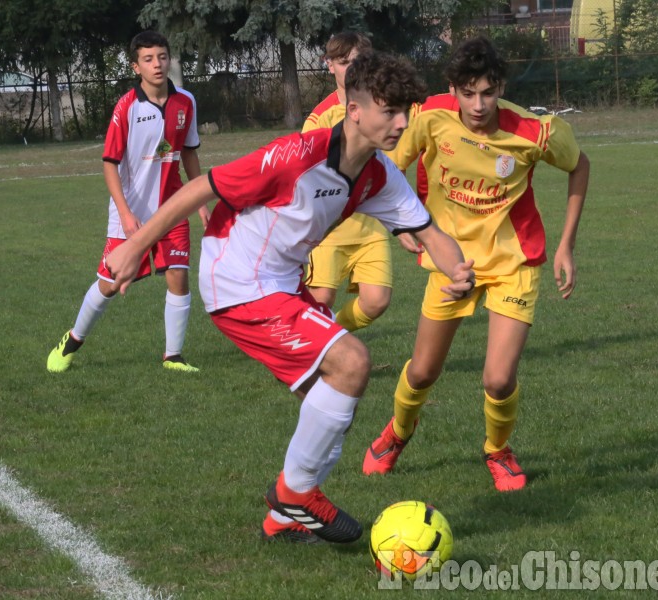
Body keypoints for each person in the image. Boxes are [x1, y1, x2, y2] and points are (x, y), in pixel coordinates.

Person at [104, 50, 475, 543]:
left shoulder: (380, 174)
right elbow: (203, 188)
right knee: (351, 363)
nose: (402, 122)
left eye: (406, 110)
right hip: (235, 276)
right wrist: (135, 245)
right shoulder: (297, 156)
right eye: (390, 110)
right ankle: (295, 494)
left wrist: (458, 271)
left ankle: (282, 520)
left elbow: (428, 232)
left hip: (280, 281)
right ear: (355, 110)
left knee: (330, 405)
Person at [363, 36, 590, 492]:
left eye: (488, 92)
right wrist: (404, 226)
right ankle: (397, 434)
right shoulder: (429, 117)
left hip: (514, 261)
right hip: (452, 263)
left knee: (499, 377)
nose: (479, 104)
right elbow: (387, 166)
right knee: (424, 370)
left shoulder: (534, 131)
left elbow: (579, 165)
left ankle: (498, 451)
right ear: (453, 88)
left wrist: (566, 244)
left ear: (500, 87)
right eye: (468, 93)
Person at [46, 31, 209, 374]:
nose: (157, 64)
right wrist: (125, 212)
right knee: (110, 283)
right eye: (148, 59)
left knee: (179, 275)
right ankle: (73, 339)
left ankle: (173, 357)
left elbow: (189, 155)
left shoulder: (186, 102)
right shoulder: (127, 107)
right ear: (136, 66)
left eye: (162, 57)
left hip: (172, 206)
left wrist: (201, 202)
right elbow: (109, 163)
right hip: (131, 212)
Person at [302, 32, 393, 332]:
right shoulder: (319, 118)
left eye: (357, 61)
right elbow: (306, 174)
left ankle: (333, 334)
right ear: (329, 66)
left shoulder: (382, 108)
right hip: (330, 229)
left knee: (377, 301)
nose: (350, 68)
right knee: (321, 298)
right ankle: (308, 356)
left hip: (371, 227)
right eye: (343, 62)